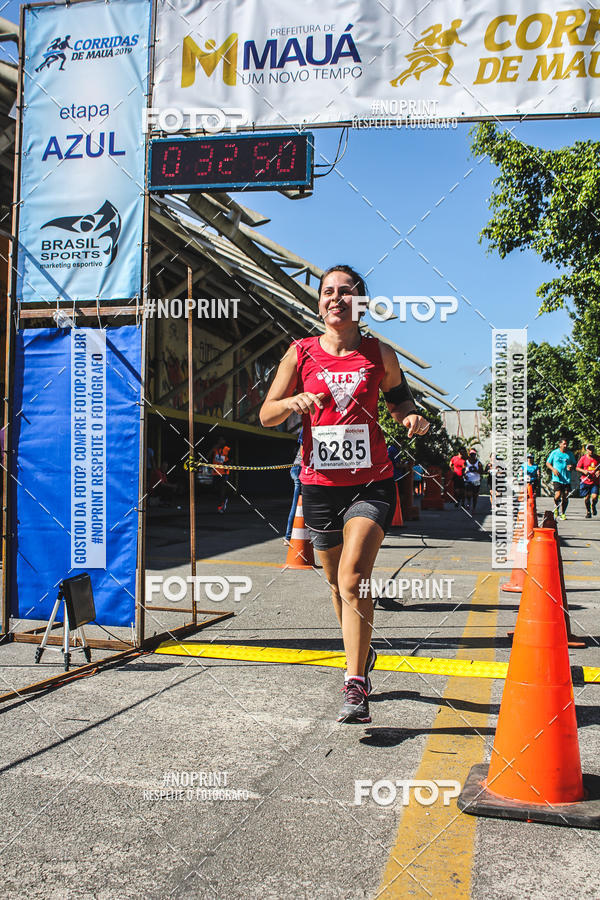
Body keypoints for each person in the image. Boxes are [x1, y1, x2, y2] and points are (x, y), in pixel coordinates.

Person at [260, 264, 429, 724]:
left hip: (372, 482)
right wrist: (291, 402)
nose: (336, 297)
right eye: (328, 292)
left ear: (361, 304)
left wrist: (410, 417)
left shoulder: (380, 354)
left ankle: (355, 682)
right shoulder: (300, 353)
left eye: (346, 291)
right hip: (319, 487)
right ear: (320, 304)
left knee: (354, 577)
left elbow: (399, 401)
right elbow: (266, 414)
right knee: (336, 583)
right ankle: (362, 651)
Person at [546, 438, 577, 520]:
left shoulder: (569, 454)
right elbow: (548, 463)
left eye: (566, 444)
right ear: (560, 444)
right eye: (564, 444)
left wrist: (571, 466)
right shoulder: (555, 453)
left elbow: (574, 464)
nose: (565, 446)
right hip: (557, 478)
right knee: (557, 495)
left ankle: (563, 513)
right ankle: (556, 507)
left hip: (567, 478)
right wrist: (553, 469)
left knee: (565, 496)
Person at [285, 429, 303, 541]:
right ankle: (288, 536)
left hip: (299, 468)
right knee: (296, 504)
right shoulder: (308, 428)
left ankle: (289, 535)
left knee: (299, 503)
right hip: (300, 469)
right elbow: (303, 451)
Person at [576, 444, 599, 518]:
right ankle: (588, 511)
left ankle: (593, 505)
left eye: (592, 449)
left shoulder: (597, 458)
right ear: (587, 450)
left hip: (595, 481)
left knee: (595, 497)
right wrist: (584, 471)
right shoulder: (583, 458)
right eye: (589, 449)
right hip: (585, 480)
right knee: (586, 498)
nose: (591, 451)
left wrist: (598, 471)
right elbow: (577, 468)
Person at [211, 437, 231, 513]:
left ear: (224, 441)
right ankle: (223, 501)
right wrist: (213, 449)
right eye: (219, 440)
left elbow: (231, 459)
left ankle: (221, 505)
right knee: (216, 488)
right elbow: (208, 456)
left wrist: (227, 466)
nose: (220, 441)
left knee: (222, 488)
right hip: (215, 472)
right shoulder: (215, 448)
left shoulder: (227, 449)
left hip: (224, 472)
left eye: (222, 440)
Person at [463, 448, 484, 513]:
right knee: (468, 493)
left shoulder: (478, 463)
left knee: (475, 495)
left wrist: (476, 470)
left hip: (476, 481)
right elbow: (463, 470)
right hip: (468, 480)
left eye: (473, 454)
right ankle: (468, 502)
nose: (472, 456)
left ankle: (473, 508)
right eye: (471, 454)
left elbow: (482, 472)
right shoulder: (466, 462)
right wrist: (464, 475)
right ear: (469, 455)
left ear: (475, 455)